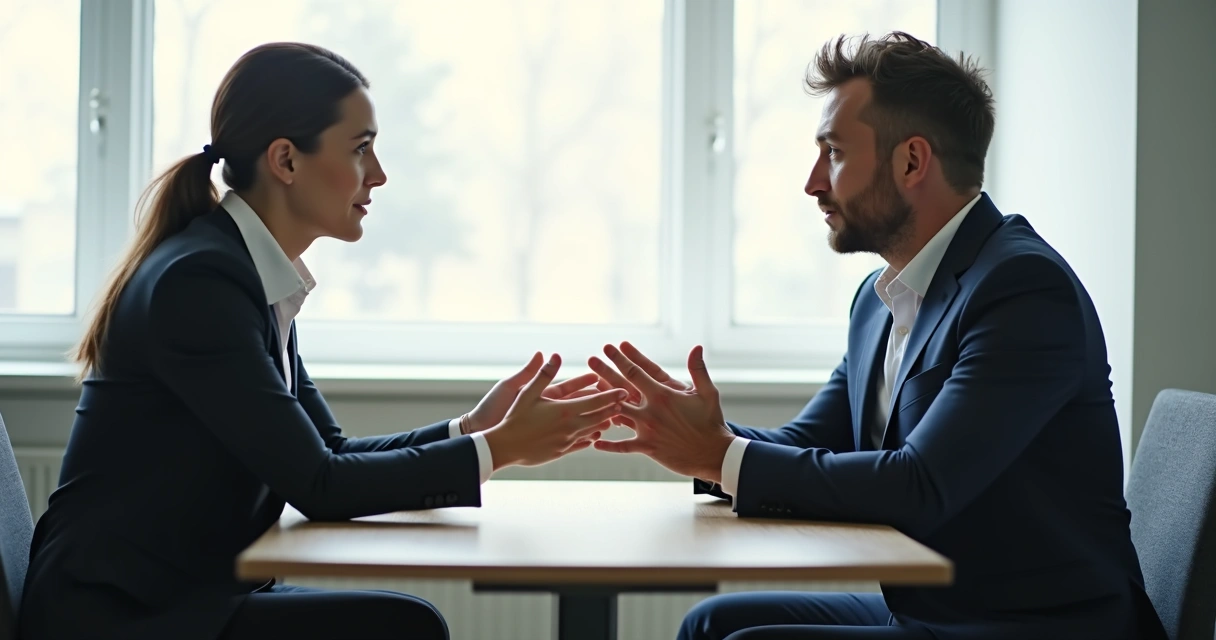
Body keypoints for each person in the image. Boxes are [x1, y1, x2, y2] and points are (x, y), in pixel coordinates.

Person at [18, 42, 626, 640]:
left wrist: (470, 430)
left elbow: (327, 453)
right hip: (123, 614)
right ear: (285, 161)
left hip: (188, 594)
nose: (380, 175)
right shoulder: (199, 283)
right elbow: (321, 486)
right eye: (361, 149)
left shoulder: (246, 273)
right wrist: (498, 450)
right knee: (403, 626)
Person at [589, 32, 1167, 640]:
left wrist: (722, 456)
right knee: (713, 624)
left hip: (1039, 625)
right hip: (935, 610)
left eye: (834, 152)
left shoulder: (1023, 290)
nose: (813, 182)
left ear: (912, 162)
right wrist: (700, 439)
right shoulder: (877, 300)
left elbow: (920, 485)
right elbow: (810, 442)